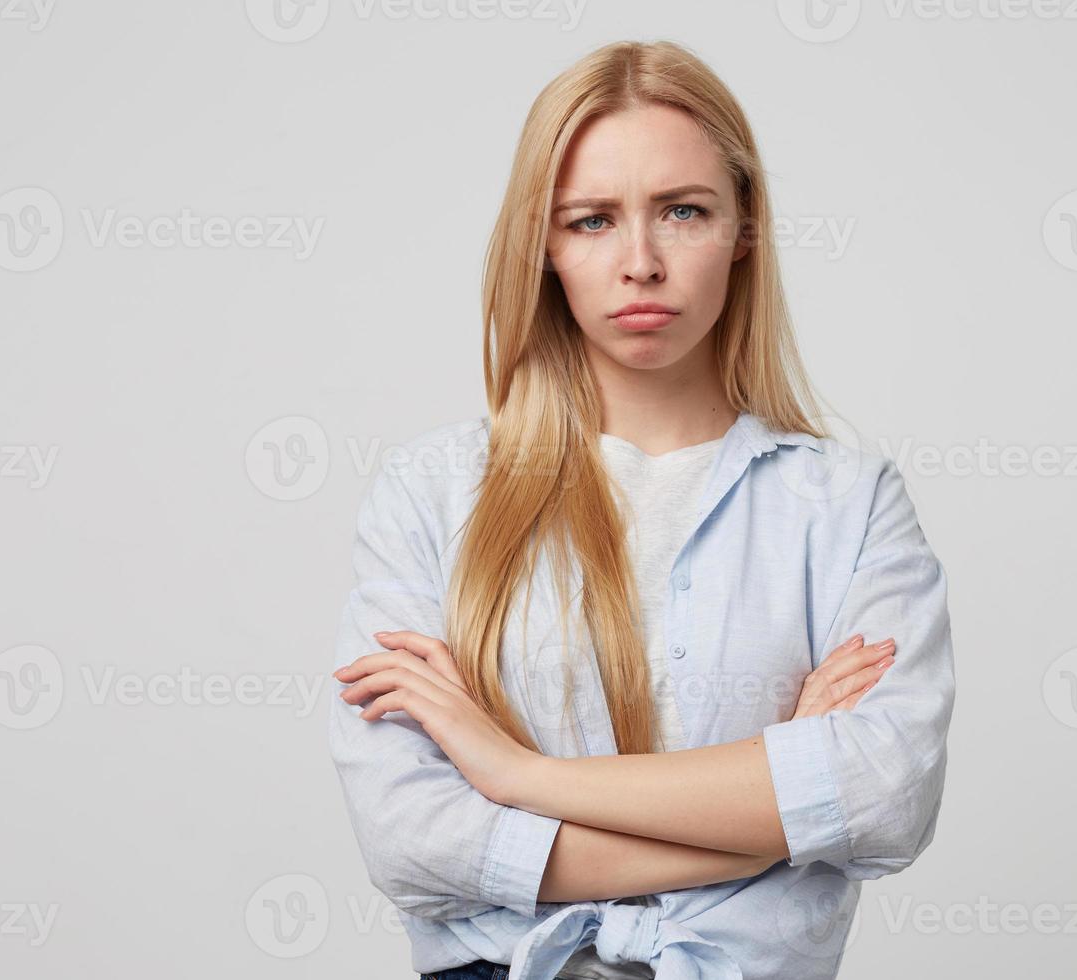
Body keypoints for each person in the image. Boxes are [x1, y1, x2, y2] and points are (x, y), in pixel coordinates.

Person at [328, 39, 956, 980]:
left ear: (744, 228)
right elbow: (413, 840)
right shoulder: (432, 491)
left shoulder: (844, 503)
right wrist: (771, 818)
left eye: (684, 211)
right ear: (542, 244)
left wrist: (517, 777)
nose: (641, 263)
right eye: (590, 221)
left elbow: (883, 799)